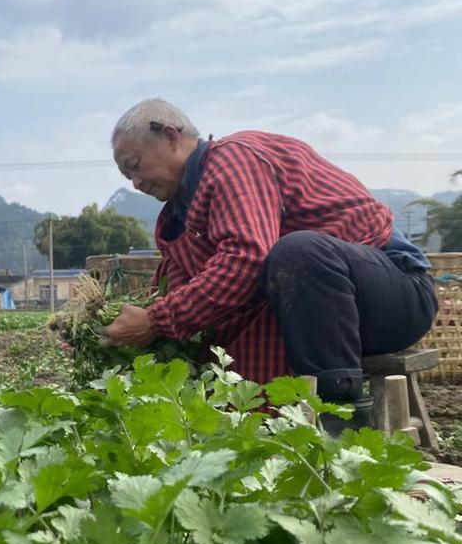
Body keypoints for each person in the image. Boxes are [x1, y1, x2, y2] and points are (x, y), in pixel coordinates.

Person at [101, 98, 437, 424]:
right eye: (127, 176)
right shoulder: (178, 214)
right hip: (314, 315)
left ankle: (338, 413)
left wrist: (158, 320)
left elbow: (246, 258)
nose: (136, 182)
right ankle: (260, 425)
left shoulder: (233, 162)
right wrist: (111, 325)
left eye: (135, 166)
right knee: (227, 335)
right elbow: (185, 286)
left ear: (171, 136)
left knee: (297, 251)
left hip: (392, 294)